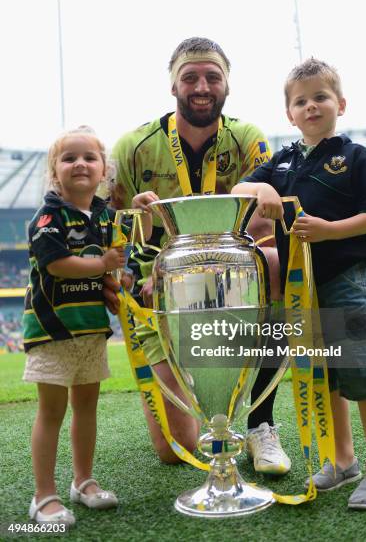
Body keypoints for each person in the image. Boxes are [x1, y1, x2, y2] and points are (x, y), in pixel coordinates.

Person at [107, 37, 290, 475]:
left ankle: (261, 423)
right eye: (190, 77)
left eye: (212, 76)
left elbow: (266, 225)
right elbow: (111, 231)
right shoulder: (134, 146)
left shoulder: (247, 139)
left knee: (279, 262)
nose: (202, 86)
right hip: (157, 294)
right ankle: (198, 393)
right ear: (173, 86)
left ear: (227, 84)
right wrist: (135, 268)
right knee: (176, 450)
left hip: (229, 283)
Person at [232, 57, 366, 510]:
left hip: (344, 279)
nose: (311, 106)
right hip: (299, 288)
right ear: (289, 113)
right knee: (325, 376)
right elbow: (237, 192)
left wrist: (329, 229)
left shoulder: (355, 157)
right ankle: (342, 459)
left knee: (359, 370)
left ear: (340, 104)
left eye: (320, 97)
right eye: (300, 101)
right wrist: (261, 190)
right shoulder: (281, 161)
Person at [22, 126, 151, 526]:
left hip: (92, 329)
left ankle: (83, 481)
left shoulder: (105, 217)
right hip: (53, 331)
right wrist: (102, 265)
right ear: (54, 172)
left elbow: (116, 263)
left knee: (87, 408)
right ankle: (43, 496)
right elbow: (56, 263)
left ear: (103, 171)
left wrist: (122, 276)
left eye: (89, 158)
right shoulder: (49, 216)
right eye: (69, 158)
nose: (79, 164)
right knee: (52, 412)